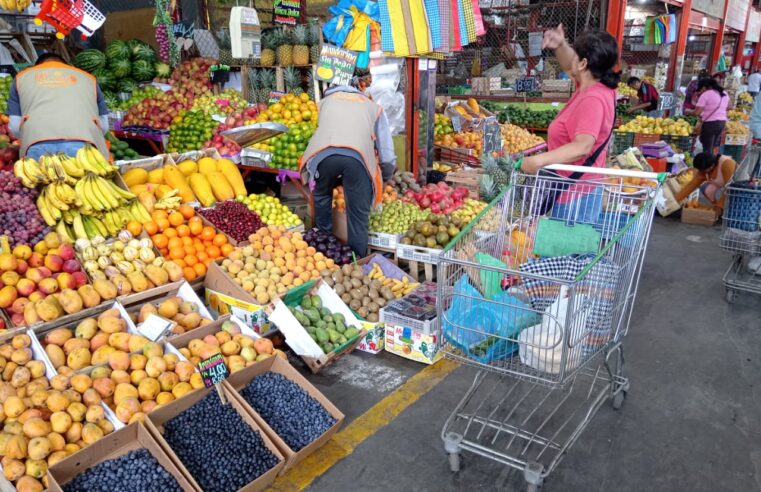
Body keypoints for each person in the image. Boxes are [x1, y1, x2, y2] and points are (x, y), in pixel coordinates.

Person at [521, 25, 618, 223]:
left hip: (576, 196)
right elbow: (569, 66)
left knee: (567, 253)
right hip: (575, 189)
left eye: (576, 55)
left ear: (583, 64)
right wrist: (560, 45)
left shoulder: (593, 99)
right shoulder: (592, 85)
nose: (570, 58)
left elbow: (583, 146)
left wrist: (539, 161)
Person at [300, 68, 396, 257]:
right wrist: (385, 175)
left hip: (323, 155)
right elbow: (387, 152)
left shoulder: (324, 103)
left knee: (322, 195)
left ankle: (324, 250)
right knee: (358, 212)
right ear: (358, 86)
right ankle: (356, 259)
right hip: (358, 158)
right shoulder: (372, 107)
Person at [7, 52, 109, 160]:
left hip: (36, 146)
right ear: (66, 66)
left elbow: (14, 127)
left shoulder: (21, 78)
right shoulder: (89, 79)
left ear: (37, 67)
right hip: (85, 147)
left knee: (41, 177)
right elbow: (104, 126)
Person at [686, 77, 729, 155]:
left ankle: (707, 165)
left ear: (705, 87)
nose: (701, 91)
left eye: (702, 89)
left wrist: (688, 111)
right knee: (713, 146)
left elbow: (697, 113)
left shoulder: (706, 94)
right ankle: (712, 163)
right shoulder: (724, 93)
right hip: (722, 123)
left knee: (707, 148)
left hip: (710, 124)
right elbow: (730, 106)